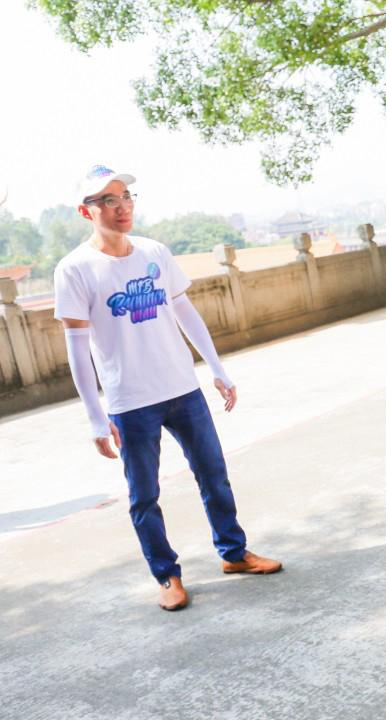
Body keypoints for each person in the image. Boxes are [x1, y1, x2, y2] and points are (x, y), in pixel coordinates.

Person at [55, 165, 282, 612]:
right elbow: (77, 351)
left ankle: (234, 553)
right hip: (130, 403)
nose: (121, 207)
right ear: (86, 211)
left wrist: (217, 368)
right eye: (108, 200)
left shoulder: (154, 252)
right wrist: (96, 418)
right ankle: (167, 575)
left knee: (214, 475)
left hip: (183, 389)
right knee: (144, 497)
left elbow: (185, 312)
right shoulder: (75, 269)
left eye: (126, 197)